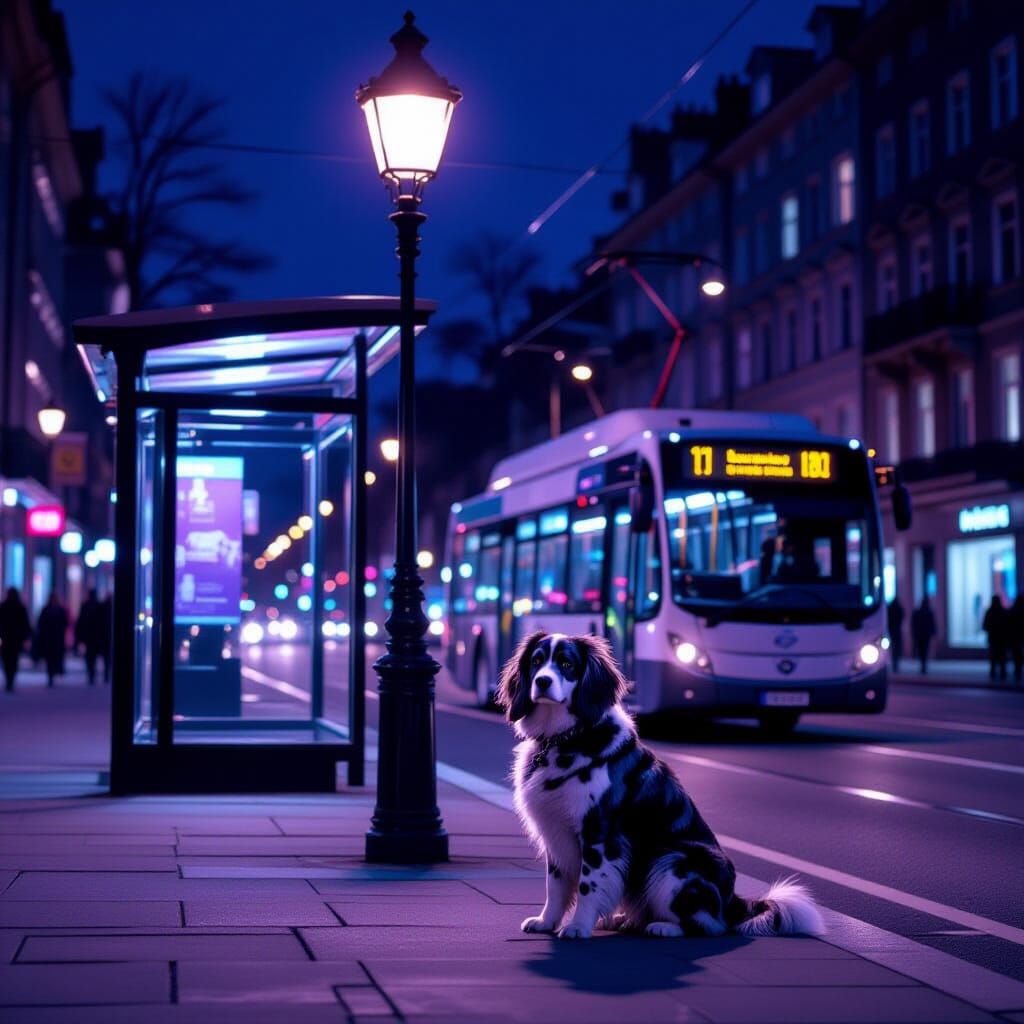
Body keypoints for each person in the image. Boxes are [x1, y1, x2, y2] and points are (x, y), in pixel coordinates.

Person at [0, 588, 32, 693]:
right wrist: (25, 637)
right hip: (15, 639)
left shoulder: (4, 606)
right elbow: (25, 624)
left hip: (7, 638)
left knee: (7, 659)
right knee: (13, 660)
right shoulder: (19, 607)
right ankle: (11, 680)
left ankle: (9, 680)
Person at [35, 593, 69, 688]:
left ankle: (52, 674)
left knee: (52, 658)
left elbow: (40, 623)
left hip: (51, 639)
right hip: (54, 639)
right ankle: (52, 674)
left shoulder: (48, 610)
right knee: (52, 658)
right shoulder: (57, 610)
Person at [74, 589, 106, 686]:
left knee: (89, 656)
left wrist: (79, 636)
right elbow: (102, 623)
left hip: (88, 636)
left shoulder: (86, 606)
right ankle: (92, 673)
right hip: (96, 636)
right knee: (93, 655)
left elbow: (81, 621)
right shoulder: (99, 606)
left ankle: (90, 674)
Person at [982, 595, 1009, 683]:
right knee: (1001, 657)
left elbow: (985, 625)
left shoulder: (989, 612)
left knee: (993, 656)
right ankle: (1002, 673)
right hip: (1001, 638)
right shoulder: (1003, 611)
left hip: (993, 637)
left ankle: (994, 673)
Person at [911, 596, 936, 675]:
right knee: (924, 650)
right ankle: (923, 666)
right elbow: (932, 624)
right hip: (925, 635)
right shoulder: (928, 612)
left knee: (922, 651)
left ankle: (923, 666)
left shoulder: (918, 612)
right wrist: (933, 632)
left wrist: (914, 633)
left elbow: (913, 624)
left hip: (920, 635)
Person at [887, 596, 905, 672]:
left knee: (894, 648)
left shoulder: (890, 608)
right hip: (896, 630)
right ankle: (896, 665)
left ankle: (895, 664)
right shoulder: (898, 608)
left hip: (892, 630)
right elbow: (902, 616)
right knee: (897, 648)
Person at [1010, 594, 1024, 686]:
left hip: (1015, 638)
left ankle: (1017, 672)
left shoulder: (1013, 611)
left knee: (1017, 656)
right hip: (1019, 637)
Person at [99, 593, 113, 684]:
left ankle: (106, 674)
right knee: (108, 656)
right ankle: (108, 674)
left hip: (104, 636)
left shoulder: (102, 607)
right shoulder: (111, 608)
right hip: (108, 636)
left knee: (106, 657)